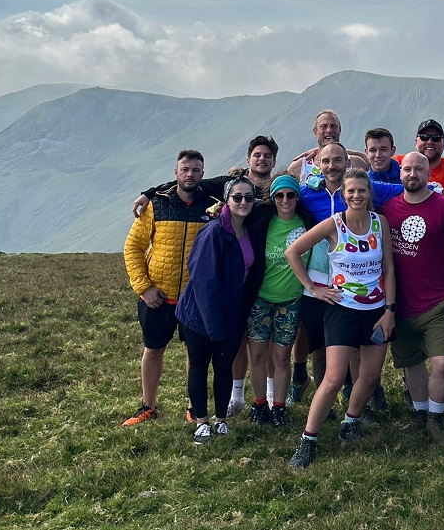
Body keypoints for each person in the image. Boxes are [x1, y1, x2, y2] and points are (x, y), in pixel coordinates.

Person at [285, 169, 396, 469]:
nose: (357, 195)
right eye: (351, 191)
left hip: (376, 310)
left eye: (362, 190)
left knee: (370, 376)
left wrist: (390, 310)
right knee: (334, 379)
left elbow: (388, 267)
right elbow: (293, 251)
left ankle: (351, 421)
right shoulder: (334, 224)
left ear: (370, 194)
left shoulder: (380, 223)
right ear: (343, 194)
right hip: (341, 309)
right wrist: (312, 288)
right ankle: (308, 440)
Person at [122, 150, 220, 426]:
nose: (190, 174)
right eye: (185, 169)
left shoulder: (213, 206)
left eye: (196, 170)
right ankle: (147, 406)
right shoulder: (156, 204)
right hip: (158, 297)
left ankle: (194, 406)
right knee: (153, 349)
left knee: (196, 354)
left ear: (203, 174)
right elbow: (133, 247)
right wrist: (144, 287)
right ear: (175, 172)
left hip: (194, 298)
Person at [380, 152, 444, 445]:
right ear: (399, 174)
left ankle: (436, 421)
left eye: (419, 169)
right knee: (411, 362)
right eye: (407, 169)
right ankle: (420, 415)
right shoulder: (388, 209)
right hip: (400, 303)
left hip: (439, 300)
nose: (412, 173)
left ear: (430, 175)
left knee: (442, 363)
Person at [176, 176, 266, 443]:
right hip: (199, 314)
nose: (243, 202)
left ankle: (221, 420)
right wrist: (215, 325)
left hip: (231, 310)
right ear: (226, 200)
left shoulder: (249, 230)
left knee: (224, 366)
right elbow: (204, 281)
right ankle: (202, 422)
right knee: (200, 366)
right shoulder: (213, 232)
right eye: (237, 197)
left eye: (248, 198)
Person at [242, 174, 315, 429]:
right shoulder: (262, 222)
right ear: (272, 198)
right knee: (259, 355)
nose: (285, 200)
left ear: (297, 197)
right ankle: (260, 403)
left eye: (290, 195)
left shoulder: (308, 223)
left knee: (282, 358)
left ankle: (280, 407)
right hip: (261, 299)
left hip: (291, 302)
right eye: (279, 195)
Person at [132, 135, 279, 216]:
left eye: (267, 156)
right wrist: (149, 193)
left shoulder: (280, 191)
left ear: (274, 162)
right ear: (248, 160)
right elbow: (189, 181)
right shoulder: (228, 184)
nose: (262, 159)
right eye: (257, 155)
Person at [288, 109, 368, 182]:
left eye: (333, 126)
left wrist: (344, 152)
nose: (329, 130)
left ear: (339, 131)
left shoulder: (356, 163)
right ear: (315, 132)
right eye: (324, 127)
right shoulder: (299, 167)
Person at [395, 119, 444, 188]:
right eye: (424, 137)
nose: (430, 142)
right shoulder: (396, 164)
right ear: (416, 142)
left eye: (436, 138)